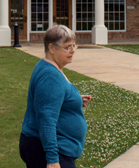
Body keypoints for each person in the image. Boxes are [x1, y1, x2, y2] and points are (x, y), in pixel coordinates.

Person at [20, 24, 92, 168]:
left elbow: (52, 99)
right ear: (52, 48)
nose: (73, 51)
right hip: (50, 151)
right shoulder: (50, 76)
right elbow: (46, 119)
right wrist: (52, 159)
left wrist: (74, 101)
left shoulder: (50, 66)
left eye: (74, 46)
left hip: (49, 148)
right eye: (67, 47)